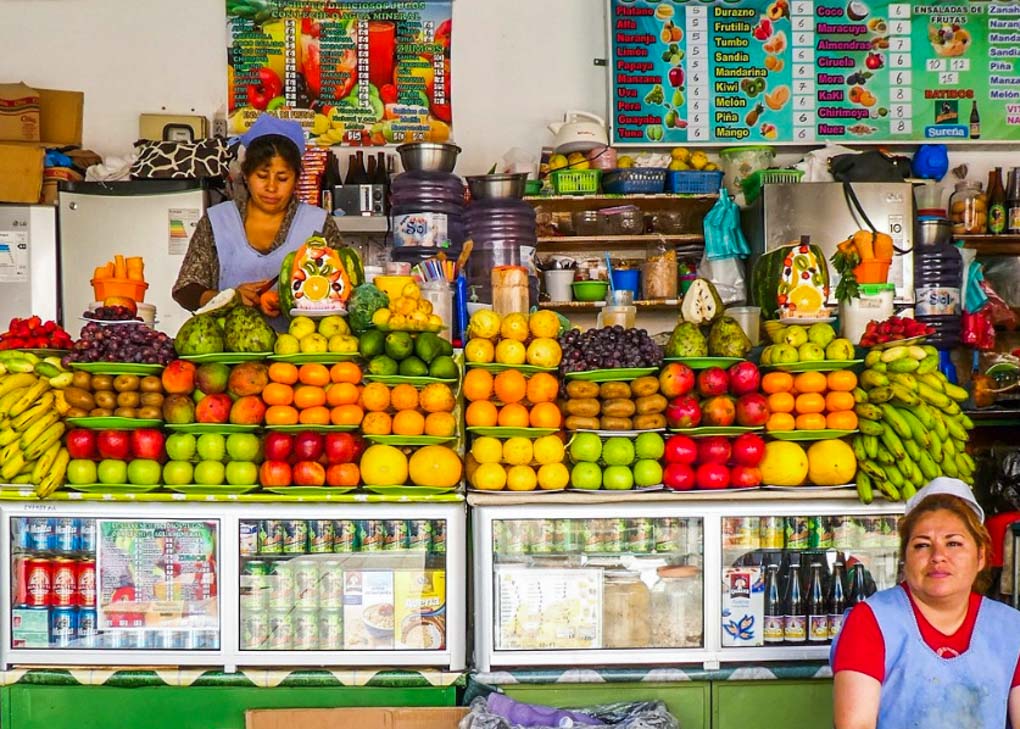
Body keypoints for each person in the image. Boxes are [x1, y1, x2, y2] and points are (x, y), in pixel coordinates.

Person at [831, 477, 1020, 728]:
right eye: (922, 545)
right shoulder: (871, 621)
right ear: (905, 558)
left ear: (981, 556)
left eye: (953, 543)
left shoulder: (1010, 628)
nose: (938, 556)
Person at [172, 113, 347, 319]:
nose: (271, 187)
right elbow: (185, 290)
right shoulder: (218, 221)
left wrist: (295, 301)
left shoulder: (318, 224)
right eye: (262, 176)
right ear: (246, 175)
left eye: (282, 178)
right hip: (229, 346)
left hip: (303, 344)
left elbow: (345, 288)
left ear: (297, 180)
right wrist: (227, 297)